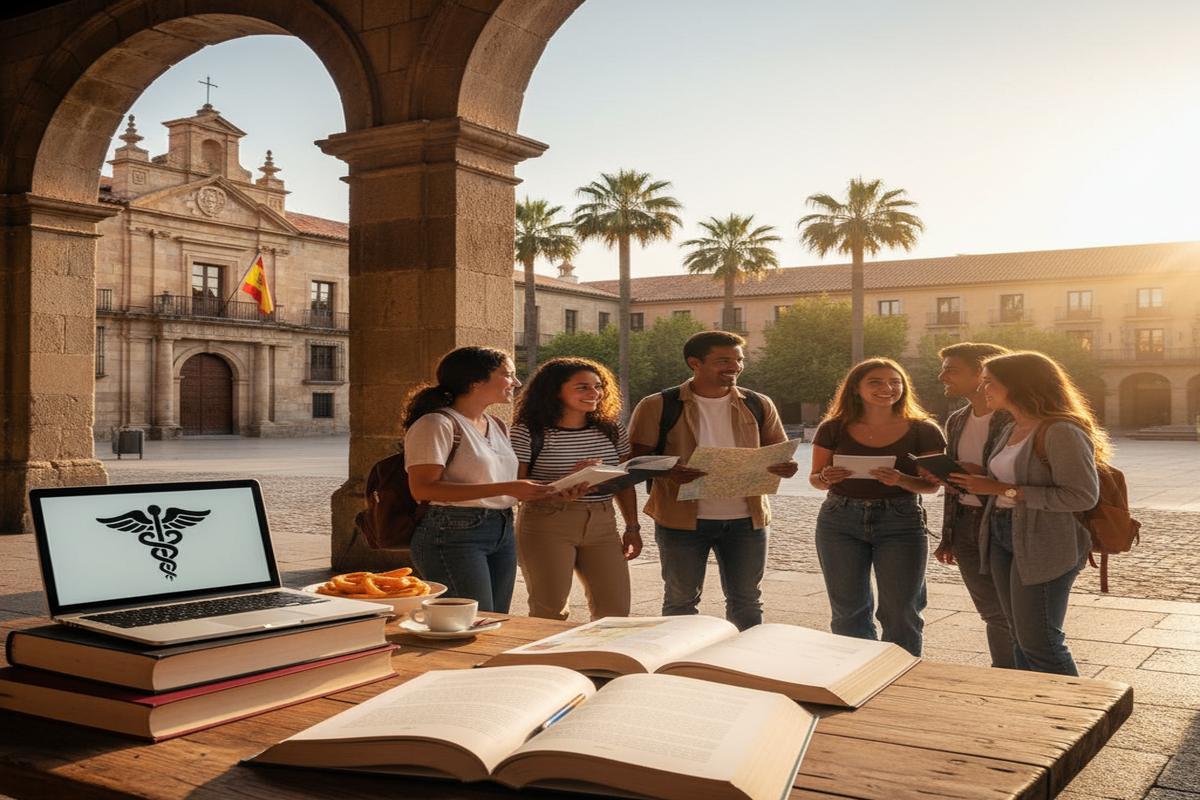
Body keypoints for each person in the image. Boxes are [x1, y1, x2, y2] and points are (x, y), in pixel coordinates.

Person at [628, 331, 798, 631]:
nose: (735, 367)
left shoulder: (759, 403)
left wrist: (786, 466)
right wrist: (669, 470)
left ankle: (745, 656)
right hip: (680, 521)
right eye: (723, 361)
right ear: (695, 363)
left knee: (747, 601)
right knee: (680, 601)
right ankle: (678, 654)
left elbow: (778, 450)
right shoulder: (658, 404)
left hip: (748, 520)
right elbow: (634, 460)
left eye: (739, 360)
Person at [950, 351, 1103, 675]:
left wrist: (1000, 489)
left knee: (1040, 641)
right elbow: (1010, 477)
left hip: (1045, 540)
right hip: (1001, 535)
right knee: (1017, 635)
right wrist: (977, 475)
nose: (983, 388)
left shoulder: (1061, 430)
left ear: (1018, 385)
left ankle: (1072, 705)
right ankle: (1031, 701)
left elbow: (1082, 496)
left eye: (989, 382)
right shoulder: (1012, 427)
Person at [403, 346, 560, 613]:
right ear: (475, 381)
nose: (516, 382)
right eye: (507, 374)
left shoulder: (496, 424)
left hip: (502, 527)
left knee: (496, 618)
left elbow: (501, 481)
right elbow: (422, 489)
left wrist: (555, 488)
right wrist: (510, 488)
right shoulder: (436, 424)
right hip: (453, 532)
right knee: (472, 619)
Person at [809, 358, 944, 657]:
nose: (888, 388)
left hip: (901, 520)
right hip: (839, 520)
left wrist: (901, 479)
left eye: (895, 382)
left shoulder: (924, 430)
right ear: (855, 388)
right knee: (848, 613)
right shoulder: (833, 427)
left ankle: (901, 673)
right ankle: (857, 672)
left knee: (901, 612)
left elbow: (932, 485)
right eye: (876, 382)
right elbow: (815, 479)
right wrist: (826, 477)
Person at [511, 358, 642, 621]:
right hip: (546, 522)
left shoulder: (612, 429)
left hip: (603, 522)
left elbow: (624, 482)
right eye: (582, 387)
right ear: (554, 391)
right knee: (549, 612)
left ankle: (602, 651)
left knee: (615, 611)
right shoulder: (526, 432)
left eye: (598, 386)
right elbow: (515, 488)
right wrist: (564, 482)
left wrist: (632, 527)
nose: (594, 393)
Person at [932, 342, 1016, 668]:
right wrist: (948, 535)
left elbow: (1024, 476)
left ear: (981, 373)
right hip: (964, 523)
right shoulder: (956, 419)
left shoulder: (1014, 418)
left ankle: (1017, 677)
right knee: (992, 612)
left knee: (1013, 612)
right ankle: (1006, 675)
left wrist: (980, 474)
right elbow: (957, 483)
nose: (942, 377)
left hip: (1001, 522)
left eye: (951, 370)